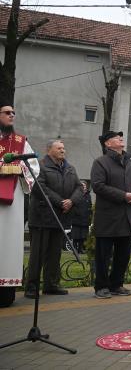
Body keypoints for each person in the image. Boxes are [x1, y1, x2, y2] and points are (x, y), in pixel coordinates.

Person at [25, 139, 82, 298]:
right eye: (59, 148)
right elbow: (39, 188)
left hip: (60, 218)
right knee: (37, 255)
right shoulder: (40, 166)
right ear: (49, 150)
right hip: (42, 218)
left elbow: (79, 187)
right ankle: (31, 287)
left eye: (63, 148)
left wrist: (72, 201)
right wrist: (60, 202)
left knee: (54, 254)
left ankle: (51, 285)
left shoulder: (70, 168)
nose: (63, 151)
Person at [90, 131, 131, 299]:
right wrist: (123, 196)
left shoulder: (129, 162)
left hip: (127, 217)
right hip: (108, 218)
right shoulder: (100, 162)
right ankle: (101, 286)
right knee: (103, 255)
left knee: (123, 255)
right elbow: (98, 186)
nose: (120, 138)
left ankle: (116, 284)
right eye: (116, 137)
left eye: (121, 137)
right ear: (107, 143)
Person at [0, 102, 39, 307]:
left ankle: (5, 294)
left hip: (13, 202)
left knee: (9, 244)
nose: (11, 115)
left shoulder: (21, 142)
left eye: (13, 112)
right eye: (7, 112)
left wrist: (17, 168)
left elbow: (33, 167)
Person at [71, 181, 92, 254]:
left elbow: (90, 206)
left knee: (83, 237)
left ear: (86, 187)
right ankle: (74, 249)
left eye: (84, 185)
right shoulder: (76, 194)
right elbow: (73, 205)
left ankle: (80, 249)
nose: (83, 186)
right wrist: (76, 212)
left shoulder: (88, 195)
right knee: (75, 236)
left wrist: (89, 216)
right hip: (76, 219)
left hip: (85, 220)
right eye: (82, 185)